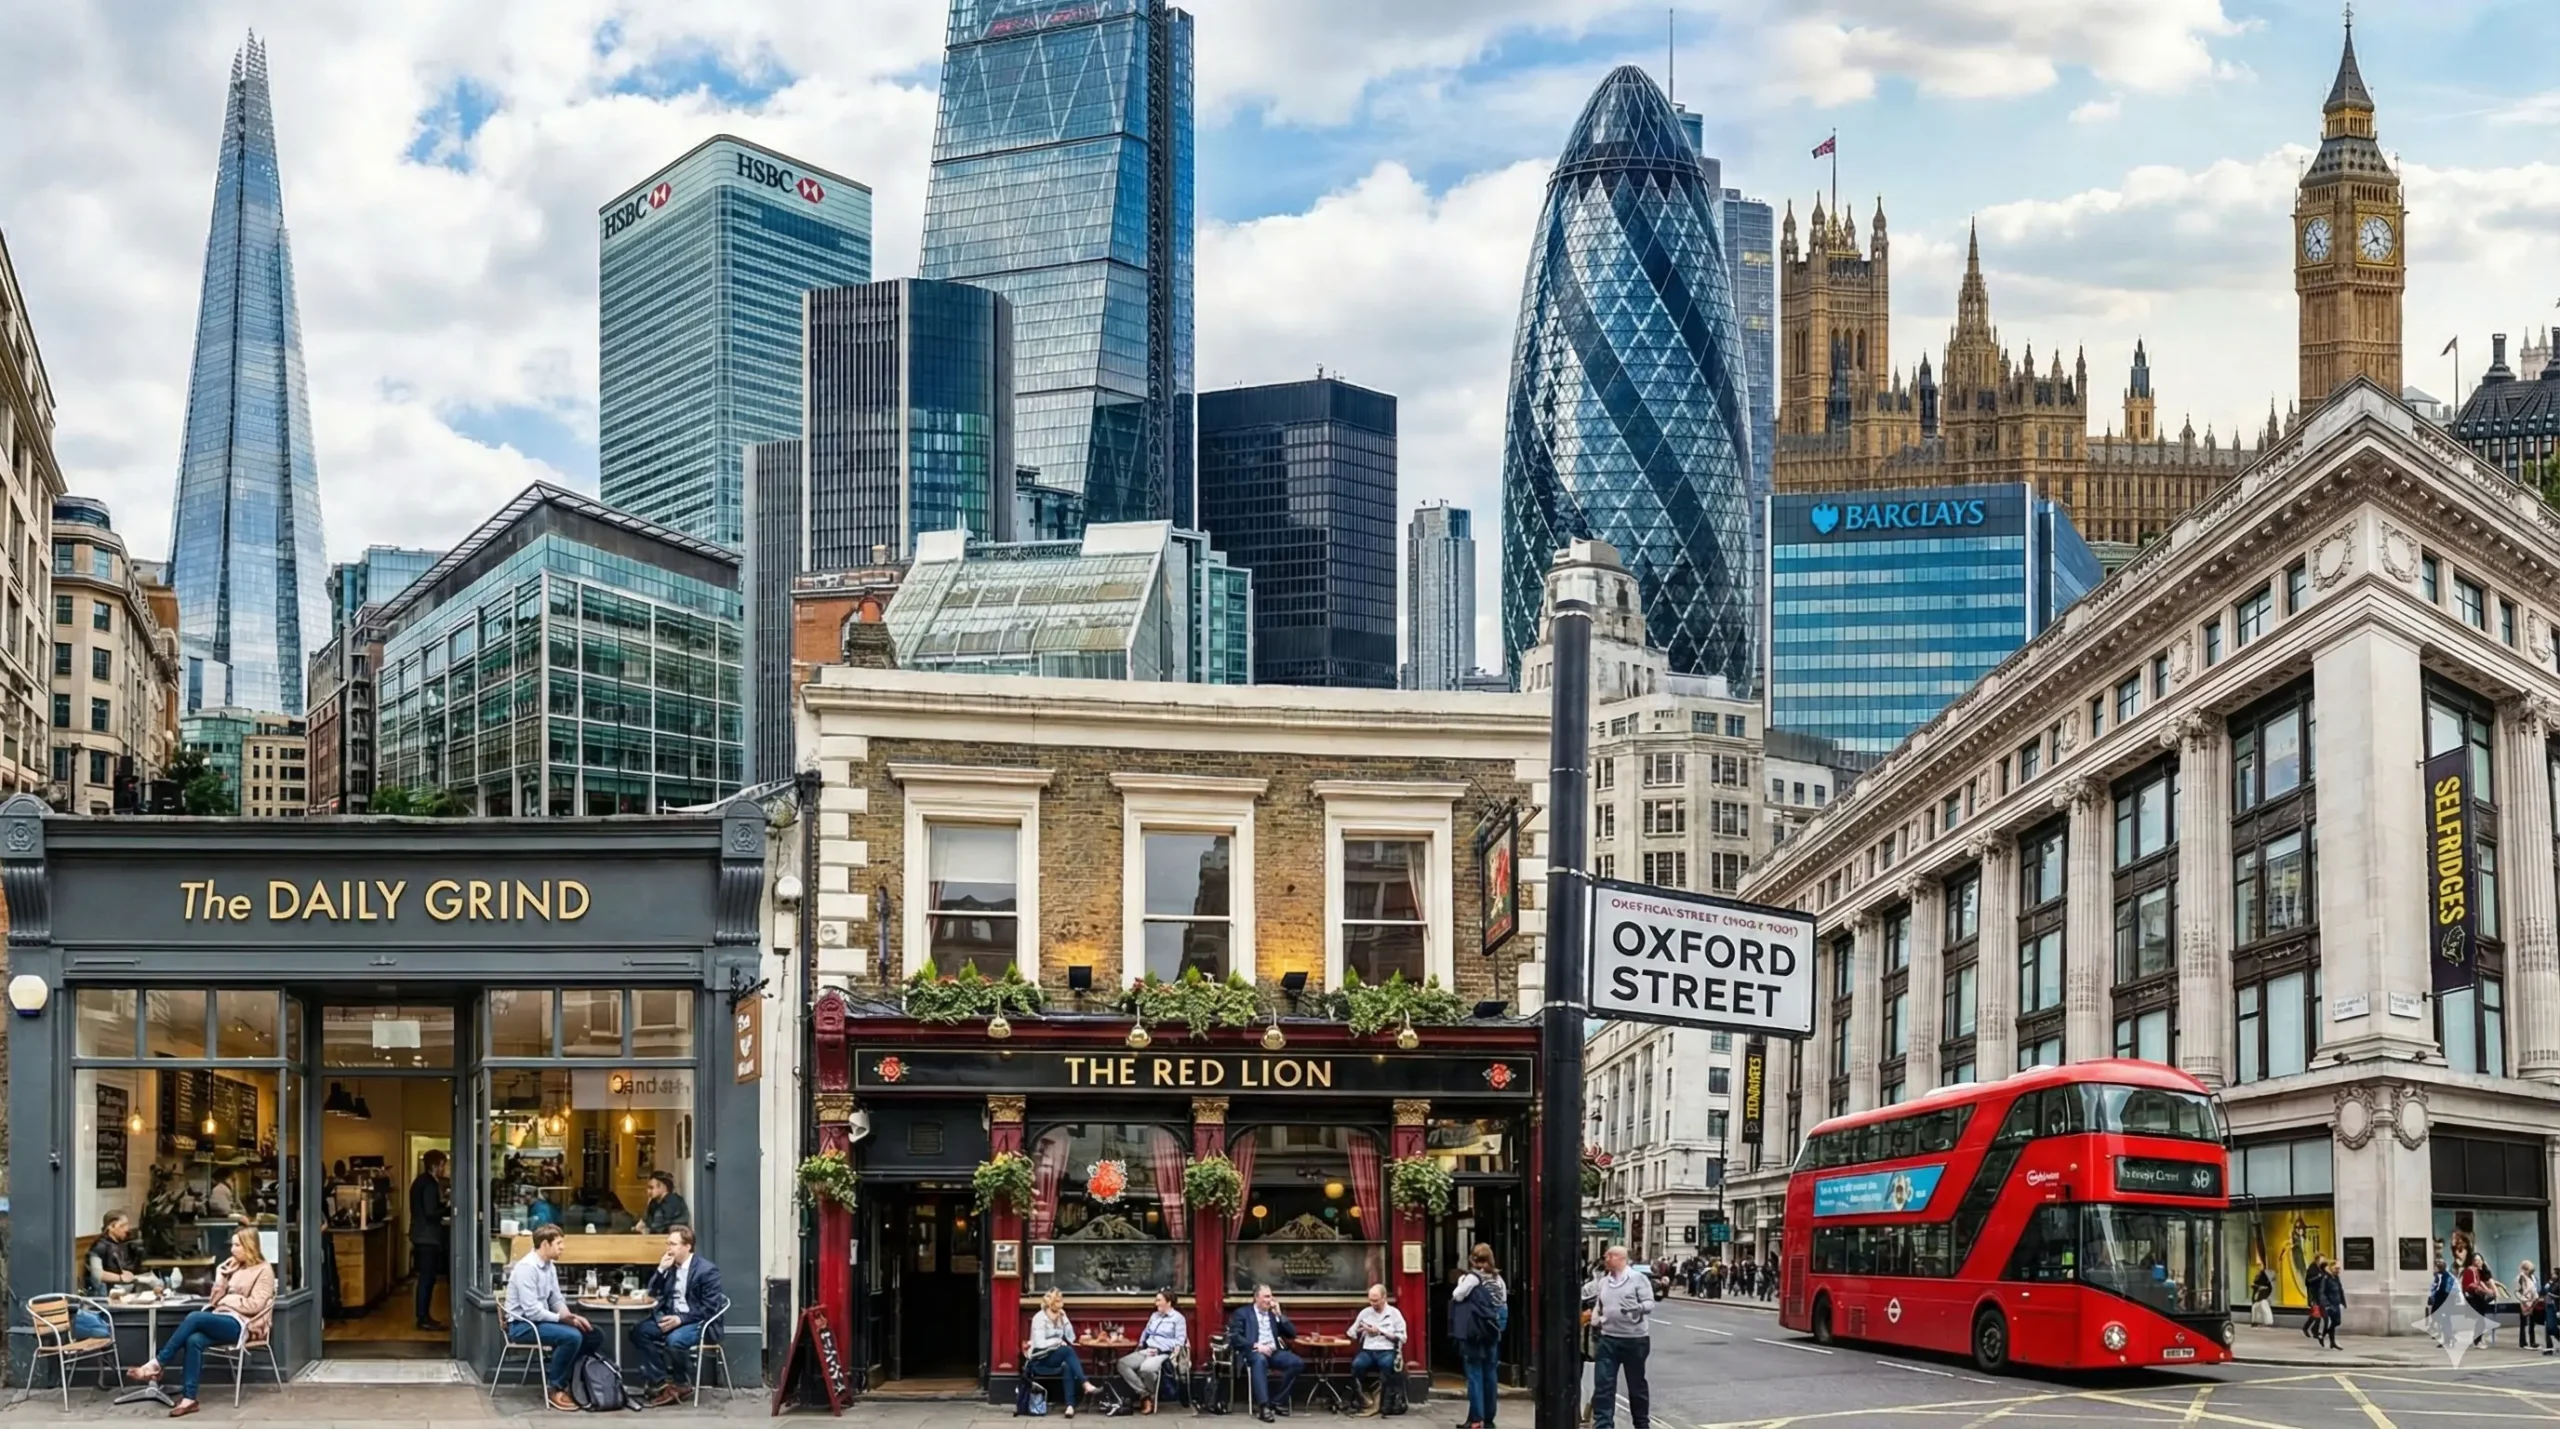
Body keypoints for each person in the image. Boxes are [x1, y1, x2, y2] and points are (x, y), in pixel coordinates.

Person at [124, 1226, 274, 1418]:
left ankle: (158, 1363)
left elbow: (255, 1305)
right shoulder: (234, 1267)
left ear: (249, 1246)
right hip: (221, 1318)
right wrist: (222, 1276)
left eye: (237, 1245)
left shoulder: (264, 1270)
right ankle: (189, 1398)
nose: (232, 1249)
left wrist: (228, 1300)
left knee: (194, 1317)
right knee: (194, 1339)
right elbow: (214, 1301)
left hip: (243, 1324)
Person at [503, 1223, 603, 1412]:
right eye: (558, 1243)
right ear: (545, 1244)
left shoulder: (550, 1266)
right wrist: (563, 1320)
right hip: (522, 1325)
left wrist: (570, 1317)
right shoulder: (527, 1268)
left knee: (593, 1334)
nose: (562, 1247)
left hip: (541, 1321)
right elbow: (532, 1311)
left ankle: (572, 1379)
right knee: (571, 1337)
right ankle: (554, 1387)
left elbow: (556, 1298)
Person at [632, 1224, 724, 1407]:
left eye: (673, 1244)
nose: (669, 1249)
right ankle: (662, 1383)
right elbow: (653, 1292)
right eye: (668, 1244)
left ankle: (682, 1383)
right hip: (670, 1316)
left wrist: (681, 1319)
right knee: (639, 1331)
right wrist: (660, 1270)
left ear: (687, 1246)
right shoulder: (671, 1267)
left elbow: (710, 1308)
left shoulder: (707, 1271)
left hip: (698, 1321)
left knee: (675, 1341)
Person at [1584, 1246, 1654, 1429]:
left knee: (1636, 1387)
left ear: (1619, 1258)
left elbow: (1649, 1303)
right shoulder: (1604, 1282)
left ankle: (1641, 1425)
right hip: (1608, 1339)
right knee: (1603, 1386)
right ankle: (1603, 1425)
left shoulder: (1638, 1279)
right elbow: (1599, 1304)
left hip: (1635, 1340)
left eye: (1609, 1255)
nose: (1605, 1258)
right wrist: (1597, 1318)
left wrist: (1637, 1308)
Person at [1225, 1283, 1302, 1423]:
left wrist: (1279, 1315)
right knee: (1259, 1360)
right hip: (1254, 1352)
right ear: (1256, 1298)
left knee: (1297, 1363)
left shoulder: (1273, 1314)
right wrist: (1255, 1345)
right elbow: (1234, 1336)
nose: (1269, 1300)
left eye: (1271, 1296)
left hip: (1274, 1352)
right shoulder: (1243, 1313)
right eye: (1266, 1297)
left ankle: (1277, 1402)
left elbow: (1292, 1334)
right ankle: (1263, 1406)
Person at [1450, 1245, 1507, 1429]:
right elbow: (1503, 1302)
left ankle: (1476, 1419)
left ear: (1473, 1260)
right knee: (1490, 1372)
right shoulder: (1499, 1279)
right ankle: (1489, 1417)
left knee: (1474, 1373)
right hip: (1493, 1329)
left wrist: (1461, 1281)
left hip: (1476, 1330)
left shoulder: (1473, 1278)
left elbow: (1457, 1296)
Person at [1118, 1288, 1187, 1414]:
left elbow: (1180, 1341)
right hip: (1147, 1349)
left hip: (1162, 1353)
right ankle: (1145, 1394)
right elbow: (1146, 1331)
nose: (1156, 1303)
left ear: (1169, 1302)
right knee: (1122, 1363)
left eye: (1159, 1300)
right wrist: (1140, 1345)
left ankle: (1146, 1400)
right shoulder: (1154, 1316)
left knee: (1146, 1368)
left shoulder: (1178, 1318)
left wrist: (1161, 1348)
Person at [1025, 1289, 1090, 1418]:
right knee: (1067, 1351)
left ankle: (1070, 1406)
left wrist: (1065, 1319)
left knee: (1067, 1365)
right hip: (1039, 1359)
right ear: (1050, 1303)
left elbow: (1071, 1338)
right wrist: (1057, 1341)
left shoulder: (1060, 1317)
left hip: (1054, 1356)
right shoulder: (1040, 1318)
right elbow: (1039, 1344)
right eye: (1058, 1300)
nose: (1060, 1303)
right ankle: (1085, 1383)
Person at [1346, 1282, 1406, 1418]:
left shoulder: (1394, 1314)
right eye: (1370, 1300)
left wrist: (1381, 1332)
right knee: (1357, 1365)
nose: (1372, 1303)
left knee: (1387, 1365)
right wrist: (1359, 1331)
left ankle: (1385, 1403)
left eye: (1376, 1300)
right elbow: (1351, 1332)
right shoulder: (1365, 1313)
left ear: (1384, 1298)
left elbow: (1402, 1337)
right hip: (1368, 1349)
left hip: (1387, 1349)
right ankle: (1363, 1399)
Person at [409, 1150, 451, 1332]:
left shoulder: (421, 1182)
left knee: (426, 1278)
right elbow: (430, 1212)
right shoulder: (428, 1184)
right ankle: (423, 1318)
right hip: (427, 1237)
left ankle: (423, 1316)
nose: (444, 1169)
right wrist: (448, 1208)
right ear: (435, 1166)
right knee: (427, 1278)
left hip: (421, 1235)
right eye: (443, 1165)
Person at [88, 1212, 146, 1296]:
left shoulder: (121, 1244)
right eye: (122, 1226)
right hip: (109, 1293)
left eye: (127, 1225)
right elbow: (97, 1274)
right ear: (111, 1227)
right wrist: (120, 1278)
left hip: (122, 1289)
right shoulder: (99, 1247)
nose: (127, 1229)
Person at [2463, 1251, 2499, 1348]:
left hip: (2479, 1298)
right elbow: (2473, 1285)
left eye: (2480, 1260)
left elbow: (2484, 1281)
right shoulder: (2471, 1270)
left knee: (2480, 1319)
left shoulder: (2481, 1271)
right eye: (2476, 1260)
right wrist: (2486, 1291)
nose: (2478, 1262)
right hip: (2474, 1298)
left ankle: (2478, 1339)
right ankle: (2477, 1341)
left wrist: (2491, 1291)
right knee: (2480, 1320)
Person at [641, 1170, 691, 1236]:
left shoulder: (672, 1201)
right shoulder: (654, 1202)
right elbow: (647, 1221)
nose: (648, 1191)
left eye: (651, 1188)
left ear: (663, 1187)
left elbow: (659, 1226)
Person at [2313, 1258, 2344, 1349]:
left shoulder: (2336, 1277)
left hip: (2336, 1303)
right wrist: (2326, 1305)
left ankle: (2326, 1337)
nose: (2338, 1270)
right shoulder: (2326, 1278)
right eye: (2336, 1268)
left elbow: (2339, 1290)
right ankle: (2331, 1341)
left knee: (2337, 1322)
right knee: (2334, 1322)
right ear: (2331, 1268)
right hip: (2329, 1304)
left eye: (2339, 1268)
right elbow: (2321, 1292)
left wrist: (2342, 1301)